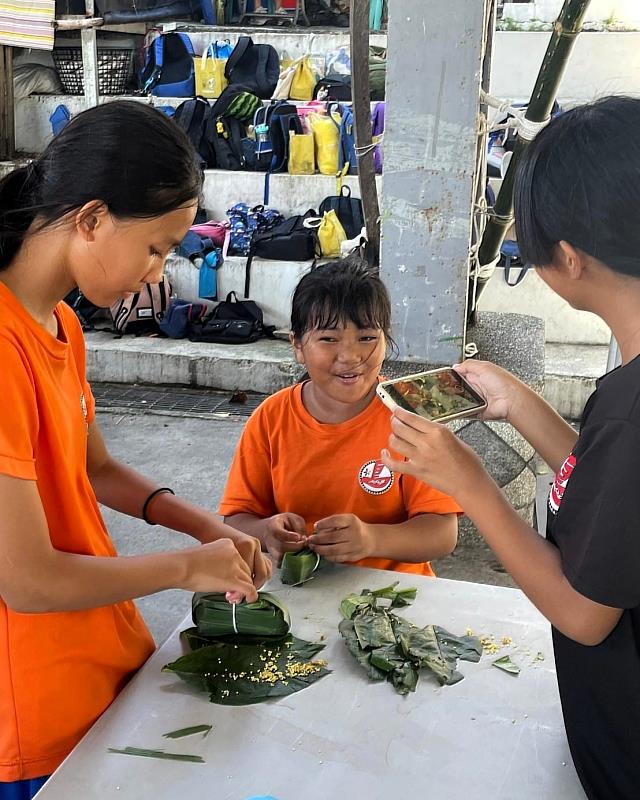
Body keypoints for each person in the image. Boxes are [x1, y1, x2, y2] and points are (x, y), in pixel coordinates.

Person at [0, 100, 271, 799]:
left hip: (92, 661)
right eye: (155, 249)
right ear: (89, 219)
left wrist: (206, 526)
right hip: (31, 706)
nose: (157, 274)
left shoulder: (59, 322)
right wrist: (186, 567)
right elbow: (25, 582)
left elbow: (96, 469)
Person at [382, 95, 640, 800]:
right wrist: (519, 404)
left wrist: (472, 485)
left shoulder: (631, 412)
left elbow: (586, 615)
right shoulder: (626, 397)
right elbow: (612, 498)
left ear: (567, 257)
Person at [220, 256, 459, 574]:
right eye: (328, 339)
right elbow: (237, 519)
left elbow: (442, 534)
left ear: (385, 339)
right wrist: (266, 531)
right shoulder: (270, 419)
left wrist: (373, 539)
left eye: (367, 338)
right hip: (298, 593)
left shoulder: (413, 417)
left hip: (396, 599)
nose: (350, 356)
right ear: (298, 345)